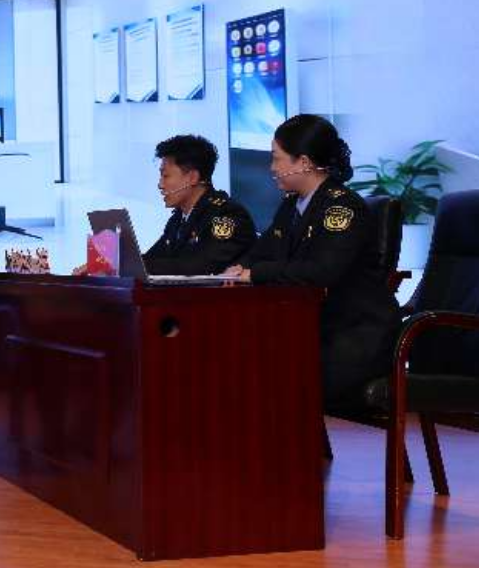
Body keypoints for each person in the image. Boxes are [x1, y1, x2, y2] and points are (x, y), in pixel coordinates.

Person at [225, 115, 400, 409]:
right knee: (232, 359)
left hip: (352, 338)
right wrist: (237, 269)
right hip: (312, 331)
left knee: (257, 374)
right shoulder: (292, 205)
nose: (272, 168)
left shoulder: (342, 208)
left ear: (304, 162)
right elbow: (260, 252)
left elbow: (322, 271)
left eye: (277, 158)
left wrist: (255, 273)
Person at [143, 134, 256, 274]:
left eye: (165, 176)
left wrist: (140, 267)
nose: (160, 185)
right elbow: (151, 258)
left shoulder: (227, 215)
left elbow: (200, 266)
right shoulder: (178, 219)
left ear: (192, 177)